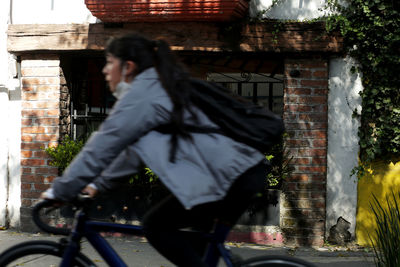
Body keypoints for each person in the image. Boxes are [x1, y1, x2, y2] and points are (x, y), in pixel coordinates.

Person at [42, 33, 268, 267]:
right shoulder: (154, 89)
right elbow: (133, 154)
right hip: (233, 176)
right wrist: (97, 185)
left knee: (156, 226)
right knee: (192, 242)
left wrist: (60, 190)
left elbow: (101, 147)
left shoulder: (142, 95)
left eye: (109, 62)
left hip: (230, 179)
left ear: (128, 66)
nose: (104, 70)